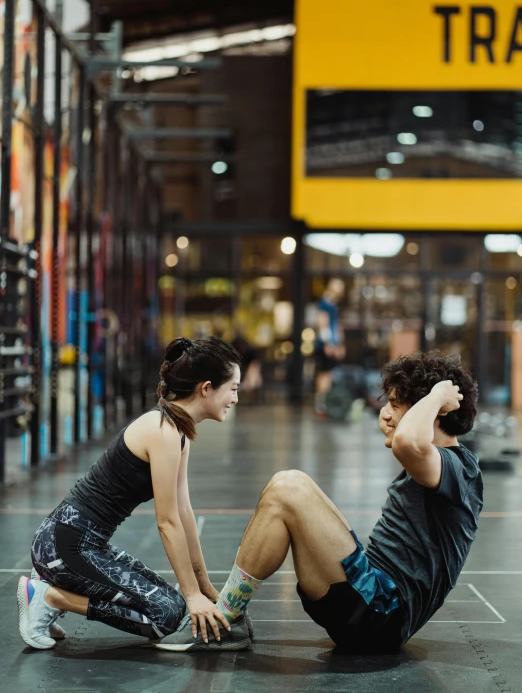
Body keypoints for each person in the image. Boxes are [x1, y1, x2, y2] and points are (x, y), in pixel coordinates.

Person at [158, 351, 482, 653]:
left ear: (434, 414)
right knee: (283, 495)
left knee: (290, 487)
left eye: (395, 405)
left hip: (382, 612)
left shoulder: (458, 468)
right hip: (368, 598)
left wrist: (438, 395)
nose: (384, 414)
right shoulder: (435, 467)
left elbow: (408, 441)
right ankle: (227, 616)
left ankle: (223, 620)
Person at [17, 337, 252, 652]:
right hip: (63, 547)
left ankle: (55, 584)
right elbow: (168, 522)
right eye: (233, 388)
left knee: (173, 605)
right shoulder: (163, 431)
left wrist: (203, 588)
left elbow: (184, 514)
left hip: (85, 545)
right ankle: (50, 596)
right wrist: (193, 595)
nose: (236, 398)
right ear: (206, 388)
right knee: (167, 616)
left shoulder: (177, 431)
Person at [314, 278, 346, 418]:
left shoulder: (333, 305)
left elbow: (336, 326)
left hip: (332, 344)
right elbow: (323, 323)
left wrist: (338, 345)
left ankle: (325, 404)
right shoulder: (325, 303)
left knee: (329, 375)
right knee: (324, 375)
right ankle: (321, 405)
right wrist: (328, 344)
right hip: (325, 345)